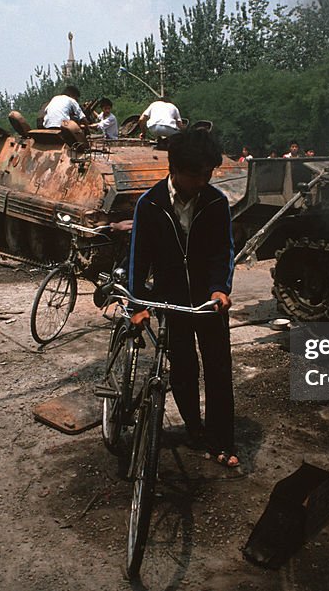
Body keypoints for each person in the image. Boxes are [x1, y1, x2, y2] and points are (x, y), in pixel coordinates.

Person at [128, 128, 238, 467]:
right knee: (184, 369)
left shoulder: (217, 202)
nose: (203, 181)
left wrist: (221, 287)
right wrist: (137, 304)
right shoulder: (150, 205)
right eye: (196, 175)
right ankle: (194, 430)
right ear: (174, 170)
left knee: (219, 370)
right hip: (172, 300)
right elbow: (138, 258)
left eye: (208, 174)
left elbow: (224, 250)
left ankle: (222, 441)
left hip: (209, 301)